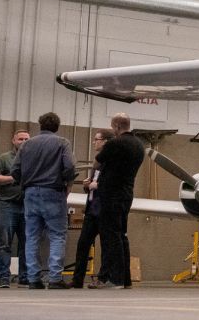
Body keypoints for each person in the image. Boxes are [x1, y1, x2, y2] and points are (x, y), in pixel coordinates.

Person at [11, 113, 75, 289]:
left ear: (40, 125)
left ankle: (33, 279)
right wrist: (65, 182)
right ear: (57, 126)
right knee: (57, 235)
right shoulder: (62, 143)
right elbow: (69, 167)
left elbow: (15, 170)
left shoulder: (26, 145)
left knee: (31, 236)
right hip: (54, 192)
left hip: (30, 193)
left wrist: (23, 183)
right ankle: (54, 278)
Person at [94, 113, 144, 289]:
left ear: (115, 126)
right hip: (126, 193)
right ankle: (125, 278)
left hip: (111, 194)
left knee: (110, 236)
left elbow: (97, 163)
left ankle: (115, 278)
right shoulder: (139, 145)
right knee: (122, 235)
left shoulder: (115, 143)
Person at [71, 128, 114, 288]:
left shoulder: (112, 161)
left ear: (106, 142)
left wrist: (98, 185)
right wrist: (87, 185)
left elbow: (113, 184)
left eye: (97, 139)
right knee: (83, 244)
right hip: (91, 209)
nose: (94, 142)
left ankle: (103, 278)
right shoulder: (96, 161)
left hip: (104, 209)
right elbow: (93, 184)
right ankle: (77, 279)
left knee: (106, 244)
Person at [0, 130, 30, 288]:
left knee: (26, 243)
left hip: (27, 206)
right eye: (20, 139)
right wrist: (14, 178)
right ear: (13, 141)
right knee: (5, 243)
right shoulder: (4, 158)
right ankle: (4, 279)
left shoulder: (33, 160)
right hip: (7, 205)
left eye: (27, 139)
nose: (23, 141)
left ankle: (24, 277)